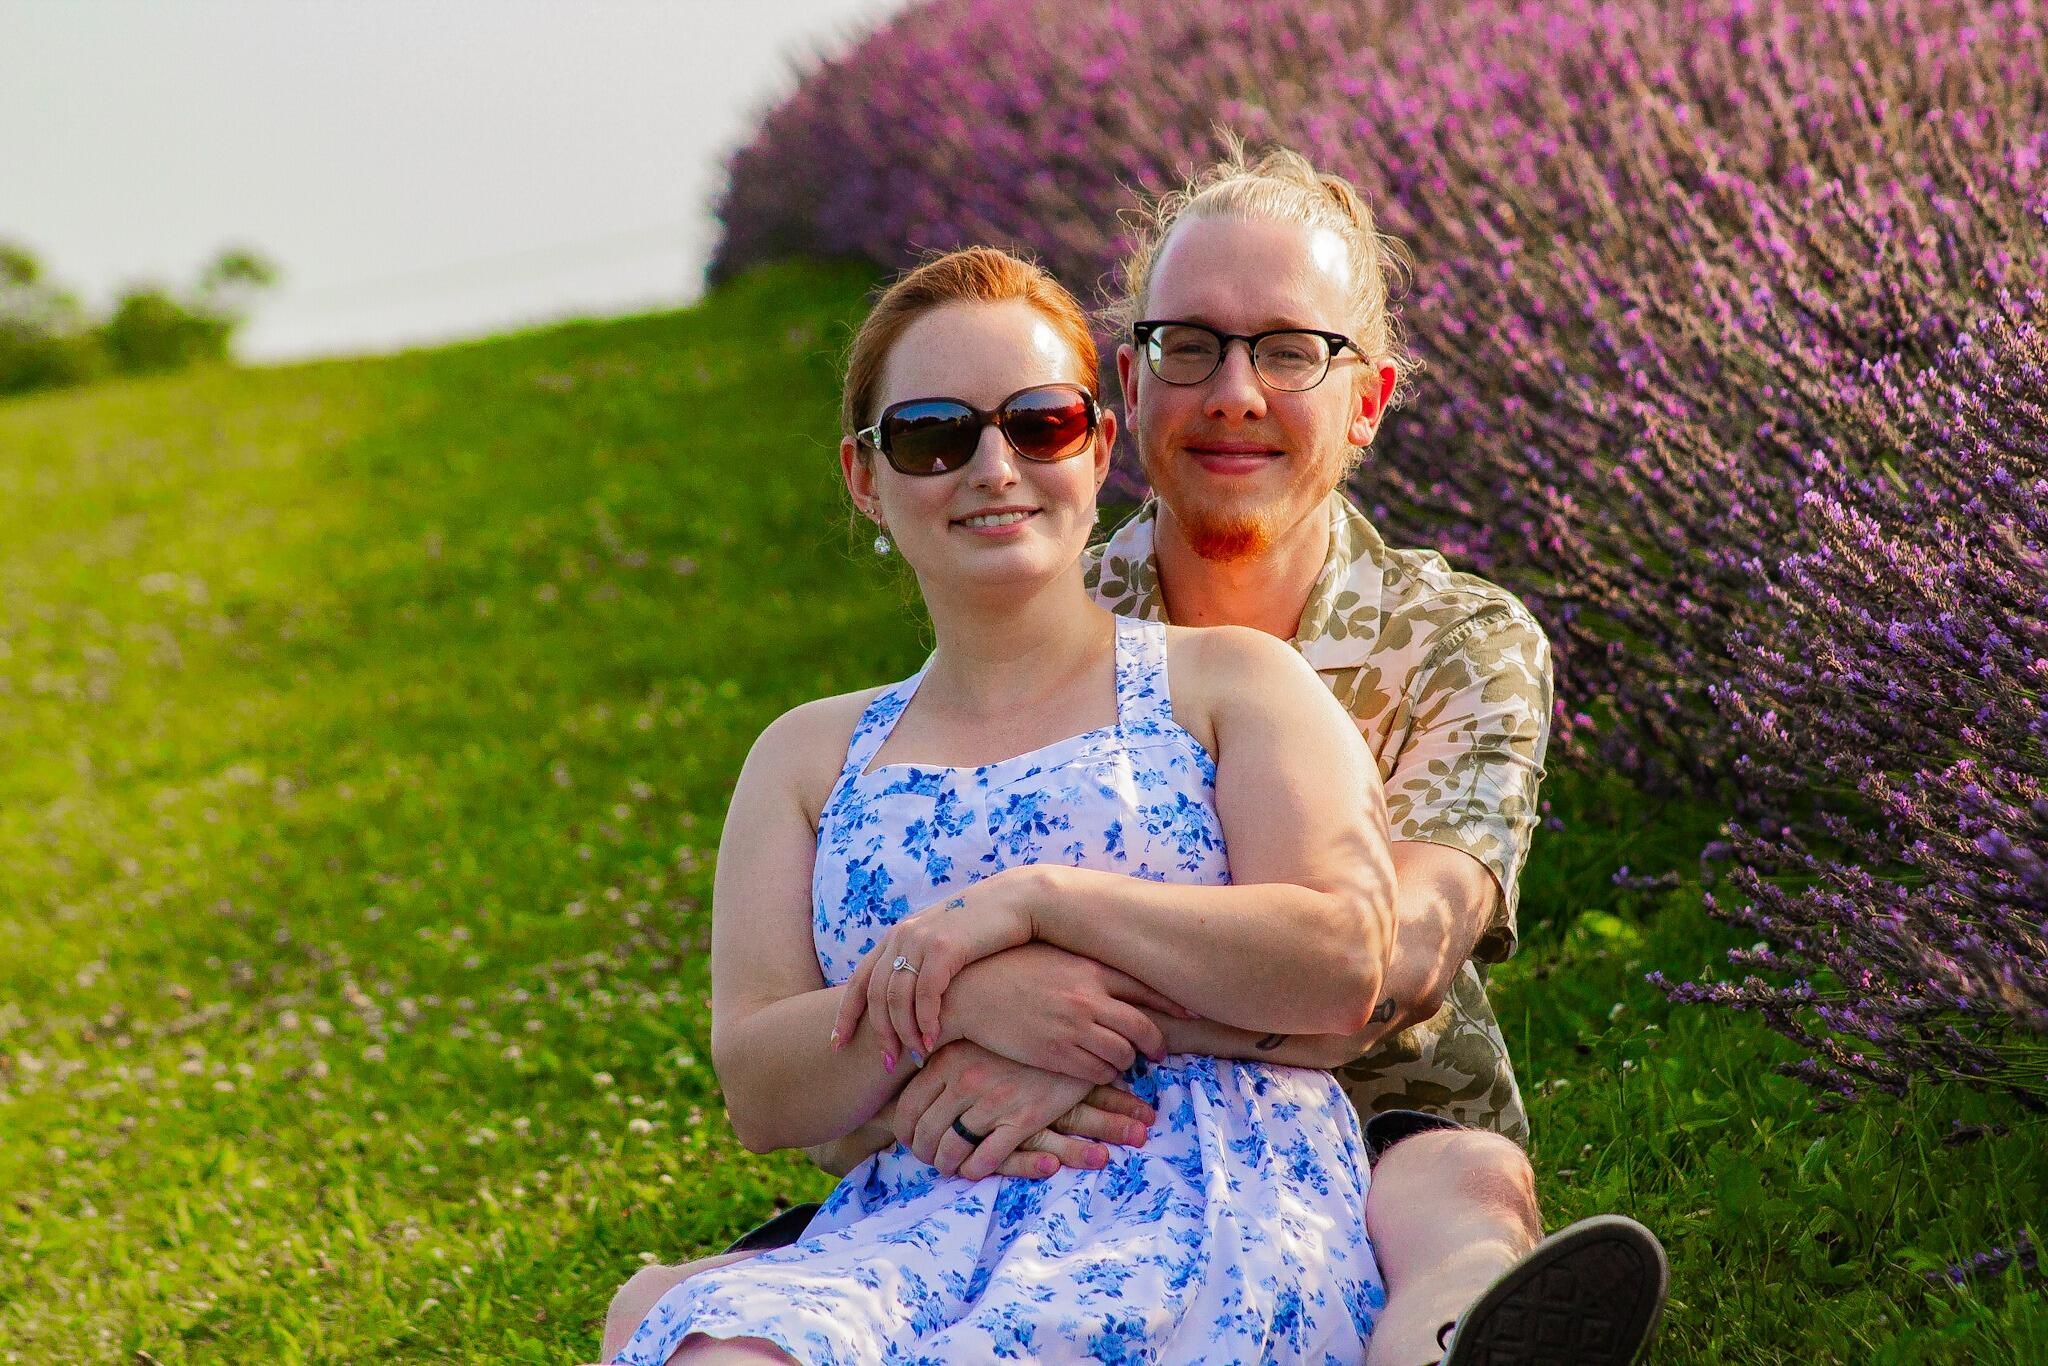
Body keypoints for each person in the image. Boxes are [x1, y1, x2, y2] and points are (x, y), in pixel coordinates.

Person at [605, 144, 1668, 1366]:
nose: (1231, 392)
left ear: (1365, 399)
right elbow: (787, 1054)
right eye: (1191, 348)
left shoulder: (1454, 639)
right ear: (1128, 391)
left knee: (1460, 1198)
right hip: (990, 1135)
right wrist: (979, 1035)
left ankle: (1454, 1347)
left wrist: (1055, 1018)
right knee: (684, 1301)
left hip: (1379, 1099)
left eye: (1285, 350)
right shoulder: (1044, 596)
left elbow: (1383, 960)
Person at [609, 244, 1403, 1363]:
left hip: (1204, 1199)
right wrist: (973, 1006)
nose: (994, 468)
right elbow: (761, 1084)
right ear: (863, 477)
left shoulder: (1228, 683)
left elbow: (1335, 956)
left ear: (1097, 446)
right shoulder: (806, 757)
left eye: (1036, 424)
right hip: (924, 1214)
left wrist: (1038, 905)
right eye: (936, 435)